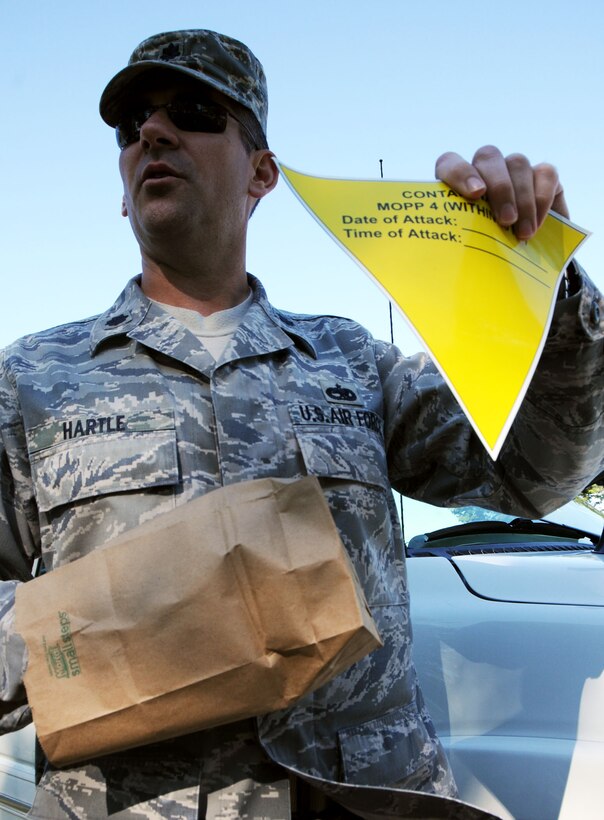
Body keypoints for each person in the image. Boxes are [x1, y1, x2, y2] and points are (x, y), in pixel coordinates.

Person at [0, 28, 602, 820]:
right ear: (121, 186)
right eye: (132, 126)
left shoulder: (354, 360)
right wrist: (104, 643)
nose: (152, 132)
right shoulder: (33, 379)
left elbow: (536, 475)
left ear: (262, 173)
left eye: (192, 112)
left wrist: (544, 289)